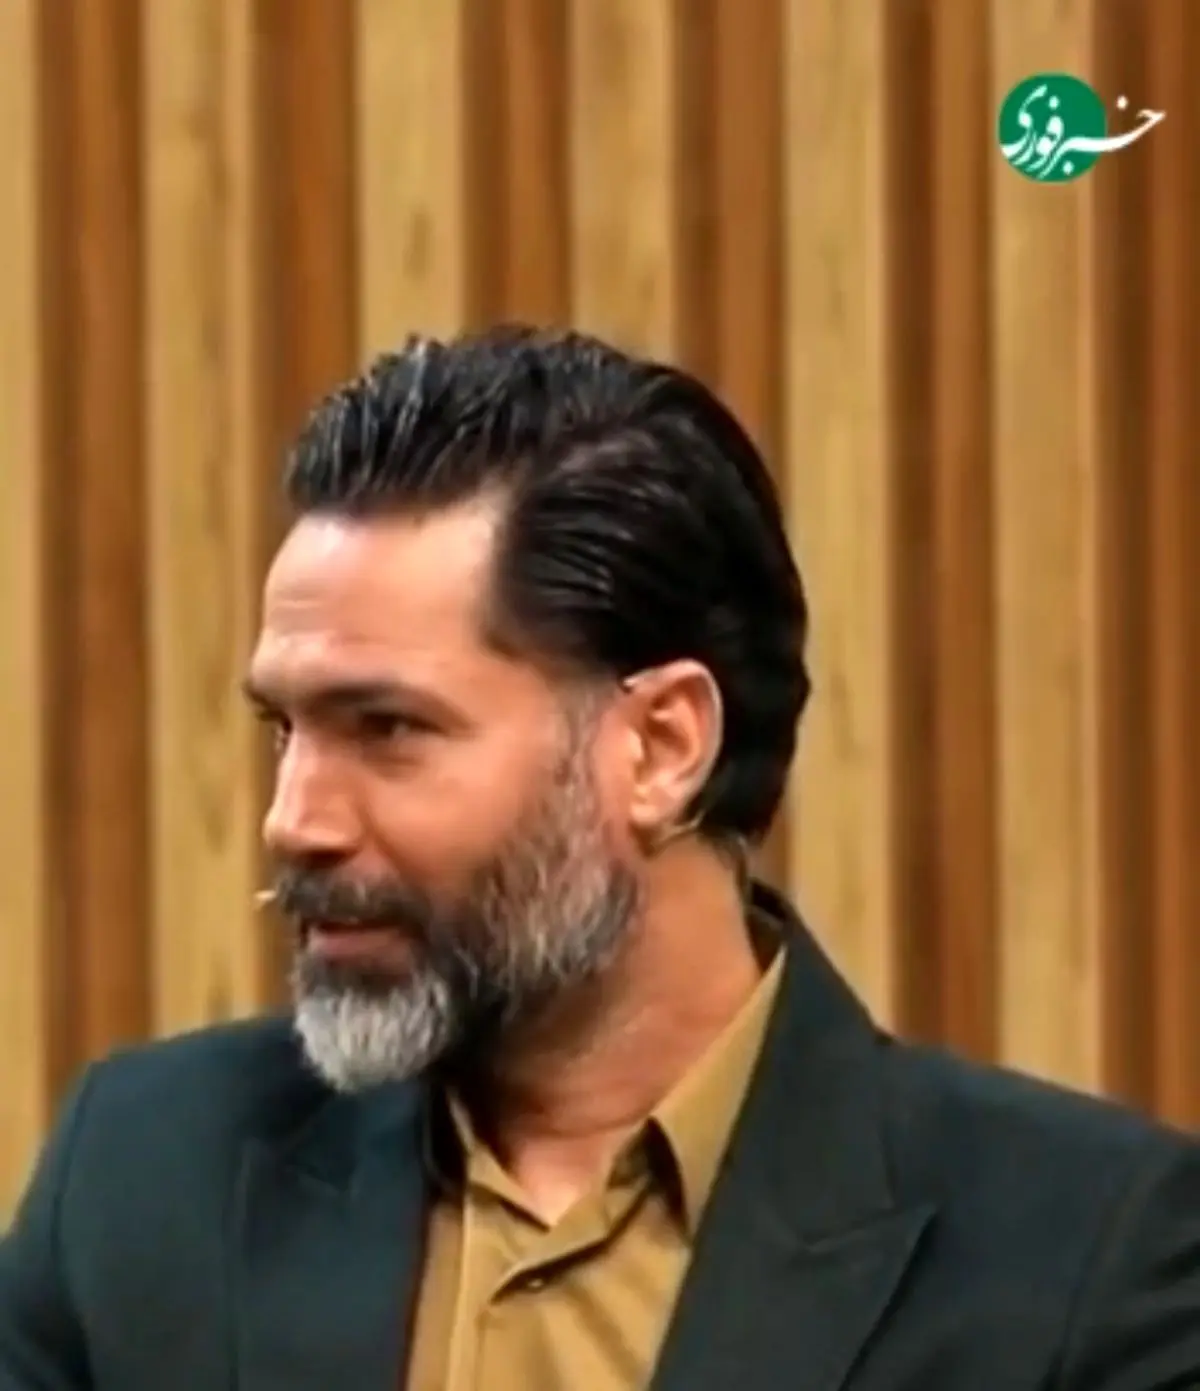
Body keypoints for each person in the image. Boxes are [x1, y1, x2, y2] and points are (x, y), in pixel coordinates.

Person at [1, 326, 1198, 1391]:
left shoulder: (1085, 1260)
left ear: (661, 747)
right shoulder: (143, 1176)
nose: (292, 818)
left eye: (388, 727)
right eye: (285, 726)